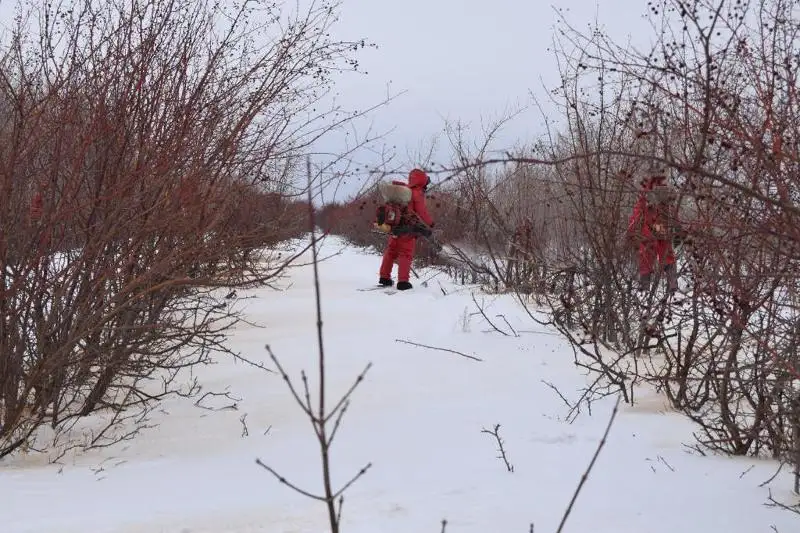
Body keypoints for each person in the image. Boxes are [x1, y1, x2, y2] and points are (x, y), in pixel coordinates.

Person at [378, 168, 433, 290]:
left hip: (394, 227)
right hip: (407, 229)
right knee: (405, 254)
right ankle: (403, 282)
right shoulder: (416, 193)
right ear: (422, 181)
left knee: (391, 252)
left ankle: (384, 277)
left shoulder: (403, 190)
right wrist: (430, 224)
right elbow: (421, 212)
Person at [627, 174, 681, 292]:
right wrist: (677, 229)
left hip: (651, 230)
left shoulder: (647, 196)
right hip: (657, 229)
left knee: (648, 256)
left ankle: (646, 287)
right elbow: (673, 214)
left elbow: (636, 214)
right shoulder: (663, 194)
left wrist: (631, 231)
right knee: (663, 255)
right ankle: (670, 283)